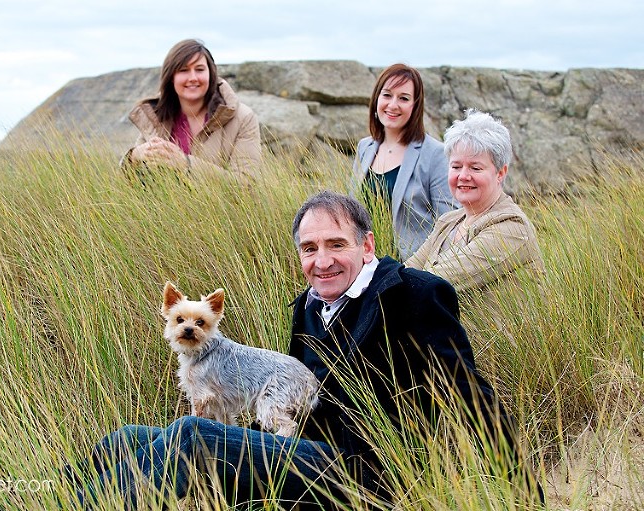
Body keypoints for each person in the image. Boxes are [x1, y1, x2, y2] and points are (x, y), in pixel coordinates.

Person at [65, 191, 541, 509]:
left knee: (193, 435)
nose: (323, 260)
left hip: (372, 472)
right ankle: (44, 493)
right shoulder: (307, 309)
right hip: (307, 447)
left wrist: (523, 493)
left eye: (337, 244)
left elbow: (469, 393)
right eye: (310, 249)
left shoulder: (416, 293)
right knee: (125, 439)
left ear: (367, 245)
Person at [404, 109, 545, 298]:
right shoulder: (448, 222)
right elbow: (406, 272)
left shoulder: (512, 227)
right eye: (456, 166)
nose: (463, 176)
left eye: (475, 168)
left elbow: (435, 282)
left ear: (501, 173)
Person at [352, 63, 457, 261]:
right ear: (376, 98)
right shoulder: (364, 148)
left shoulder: (435, 154)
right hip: (365, 266)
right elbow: (352, 213)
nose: (393, 105)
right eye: (387, 95)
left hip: (411, 269)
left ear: (415, 106)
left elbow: (450, 224)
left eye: (404, 98)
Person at [121, 39, 261, 182]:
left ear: (210, 74)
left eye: (199, 69)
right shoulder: (155, 116)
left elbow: (247, 184)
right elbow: (129, 186)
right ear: (171, 78)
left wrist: (186, 164)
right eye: (183, 70)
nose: (193, 78)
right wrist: (134, 157)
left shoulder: (243, 118)